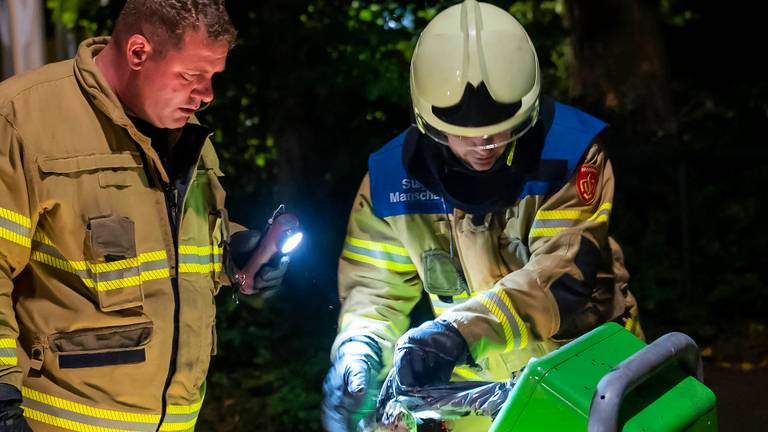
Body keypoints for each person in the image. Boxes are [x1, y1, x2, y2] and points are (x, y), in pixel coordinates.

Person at [322, 1, 643, 430]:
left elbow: (561, 277)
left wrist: (455, 334)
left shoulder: (570, 154)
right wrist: (359, 351)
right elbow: (373, 293)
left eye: (500, 125)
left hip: (587, 379)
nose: (484, 143)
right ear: (427, 117)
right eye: (462, 133)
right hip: (478, 402)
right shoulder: (389, 182)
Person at [0, 1, 282, 430]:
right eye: (191, 76)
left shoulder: (187, 136)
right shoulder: (22, 118)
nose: (207, 95)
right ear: (137, 53)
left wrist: (237, 253)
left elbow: (172, 251)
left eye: (212, 78)